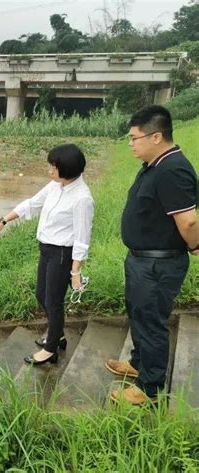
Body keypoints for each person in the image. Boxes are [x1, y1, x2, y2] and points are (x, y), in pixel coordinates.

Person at [106, 105, 198, 406]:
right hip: (143, 260)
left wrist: (196, 246)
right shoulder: (155, 166)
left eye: (134, 138)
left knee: (151, 321)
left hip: (159, 263)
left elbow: (190, 221)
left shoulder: (173, 170)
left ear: (156, 136)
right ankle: (139, 364)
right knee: (139, 315)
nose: (131, 143)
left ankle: (150, 388)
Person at [0, 144, 94, 365]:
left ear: (66, 169)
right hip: (46, 249)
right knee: (41, 295)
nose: (50, 171)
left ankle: (51, 348)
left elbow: (83, 239)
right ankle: (59, 334)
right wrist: (2, 221)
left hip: (62, 254)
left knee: (53, 301)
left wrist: (76, 272)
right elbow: (31, 204)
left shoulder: (82, 199)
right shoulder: (56, 186)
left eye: (53, 167)